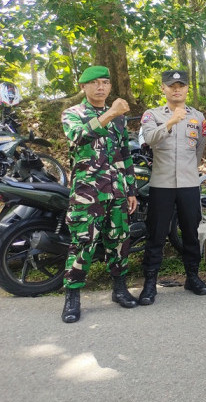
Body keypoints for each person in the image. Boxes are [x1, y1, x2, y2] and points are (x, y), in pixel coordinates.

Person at [60, 65, 138, 323]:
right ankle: (72, 297)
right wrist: (111, 112)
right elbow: (78, 136)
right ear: (83, 87)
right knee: (83, 243)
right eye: (95, 83)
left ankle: (119, 289)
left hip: (117, 190)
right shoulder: (73, 114)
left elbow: (124, 153)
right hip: (88, 193)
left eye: (105, 82)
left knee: (119, 240)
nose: (101, 87)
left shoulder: (119, 118)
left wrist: (130, 190)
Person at [137, 70, 206, 306]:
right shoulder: (152, 115)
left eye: (181, 85)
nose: (176, 90)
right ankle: (150, 283)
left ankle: (192, 276)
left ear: (187, 88)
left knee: (190, 232)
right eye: (171, 86)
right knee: (156, 234)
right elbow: (149, 139)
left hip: (189, 184)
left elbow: (199, 147)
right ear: (163, 88)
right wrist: (170, 122)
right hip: (162, 184)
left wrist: (190, 170)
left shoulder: (198, 117)